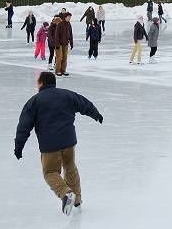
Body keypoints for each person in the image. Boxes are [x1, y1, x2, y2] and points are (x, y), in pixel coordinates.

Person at [14, 71, 103, 216]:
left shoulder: (34, 101)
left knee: (50, 172)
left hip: (50, 146)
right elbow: (84, 103)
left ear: (41, 83)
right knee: (70, 167)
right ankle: (77, 199)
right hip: (69, 141)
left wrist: (19, 146)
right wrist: (96, 114)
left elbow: (24, 126)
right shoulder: (67, 95)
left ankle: (66, 193)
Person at [52, 13, 73, 77]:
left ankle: (63, 70)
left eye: (70, 17)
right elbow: (56, 35)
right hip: (59, 44)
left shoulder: (69, 24)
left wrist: (71, 43)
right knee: (59, 57)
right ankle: (57, 71)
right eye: (68, 17)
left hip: (66, 43)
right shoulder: (60, 24)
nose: (69, 18)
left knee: (65, 57)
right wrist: (57, 44)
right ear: (65, 17)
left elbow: (70, 34)